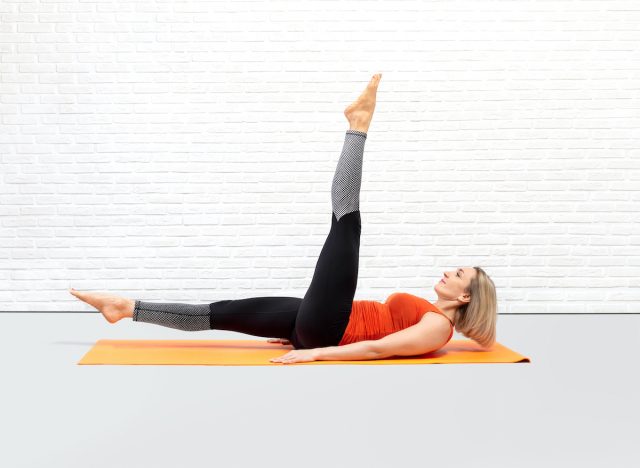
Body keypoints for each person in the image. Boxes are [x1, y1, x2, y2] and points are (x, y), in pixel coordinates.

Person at [69, 73, 497, 364]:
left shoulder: (437, 328)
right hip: (318, 321)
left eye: (457, 273)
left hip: (330, 328)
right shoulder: (436, 319)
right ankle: (125, 308)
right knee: (225, 312)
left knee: (346, 224)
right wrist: (300, 333)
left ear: (464, 297)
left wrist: (313, 351)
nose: (447, 270)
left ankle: (359, 126)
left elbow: (377, 350)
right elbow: (483, 336)